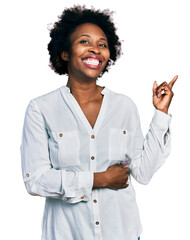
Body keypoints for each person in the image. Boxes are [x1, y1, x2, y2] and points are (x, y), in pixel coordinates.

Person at [20, 5, 177, 240]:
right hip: (67, 235)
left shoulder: (124, 106)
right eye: (85, 42)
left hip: (122, 233)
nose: (95, 49)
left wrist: (161, 114)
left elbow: (142, 172)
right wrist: (98, 179)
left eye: (102, 44)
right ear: (65, 53)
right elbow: (36, 180)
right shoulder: (41, 109)